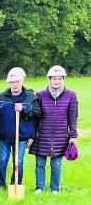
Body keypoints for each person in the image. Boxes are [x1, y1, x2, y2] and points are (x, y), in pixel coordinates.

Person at [29, 65, 78, 194]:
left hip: (61, 136)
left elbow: (73, 117)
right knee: (40, 164)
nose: (57, 81)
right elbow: (35, 118)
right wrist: (31, 136)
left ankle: (54, 188)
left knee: (56, 165)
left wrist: (73, 136)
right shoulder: (40, 95)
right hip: (42, 135)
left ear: (63, 79)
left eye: (60, 78)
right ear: (49, 79)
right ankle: (39, 187)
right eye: (54, 78)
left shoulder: (71, 95)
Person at [0, 67, 40, 189]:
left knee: (18, 162)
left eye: (17, 81)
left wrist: (24, 109)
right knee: (2, 161)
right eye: (12, 82)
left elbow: (37, 114)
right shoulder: (0, 97)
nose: (15, 84)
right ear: (8, 82)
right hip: (4, 136)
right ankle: (0, 184)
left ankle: (16, 183)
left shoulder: (30, 97)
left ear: (22, 81)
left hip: (21, 136)